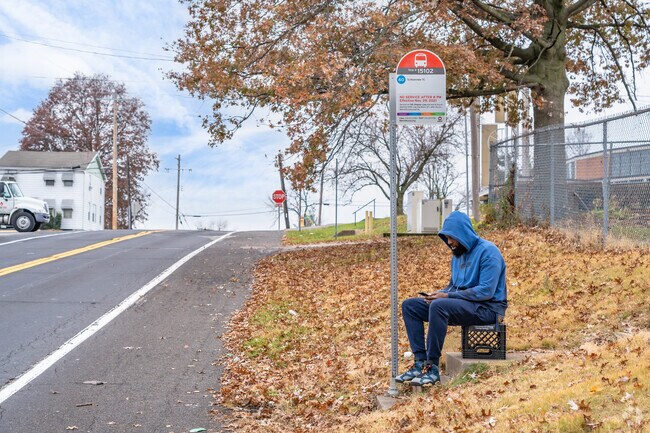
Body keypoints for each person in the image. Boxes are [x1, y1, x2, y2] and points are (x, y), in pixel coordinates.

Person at [395, 211, 508, 386]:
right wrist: (437, 294)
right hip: (465, 305)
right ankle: (420, 363)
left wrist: (446, 296)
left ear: (463, 234)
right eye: (446, 238)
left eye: (452, 238)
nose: (449, 242)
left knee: (439, 306)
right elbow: (452, 287)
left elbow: (486, 291)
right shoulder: (458, 255)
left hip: (488, 309)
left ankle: (432, 368)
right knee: (410, 306)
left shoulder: (489, 252)